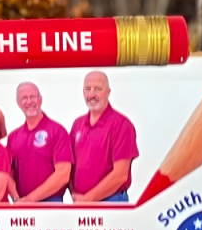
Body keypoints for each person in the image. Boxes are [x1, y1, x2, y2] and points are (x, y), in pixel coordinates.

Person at [69, 71, 138, 203]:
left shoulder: (122, 125)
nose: (92, 94)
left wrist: (88, 199)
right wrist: (75, 194)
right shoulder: (77, 125)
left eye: (98, 89)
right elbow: (69, 164)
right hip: (81, 202)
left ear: (108, 92)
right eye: (87, 89)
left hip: (111, 201)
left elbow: (120, 175)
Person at [8, 81, 73, 203]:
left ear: (40, 99)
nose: (29, 101)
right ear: (18, 103)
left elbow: (63, 174)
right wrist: (17, 200)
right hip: (22, 205)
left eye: (32, 97)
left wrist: (30, 199)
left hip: (51, 203)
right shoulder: (13, 137)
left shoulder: (57, 131)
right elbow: (8, 174)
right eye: (24, 98)